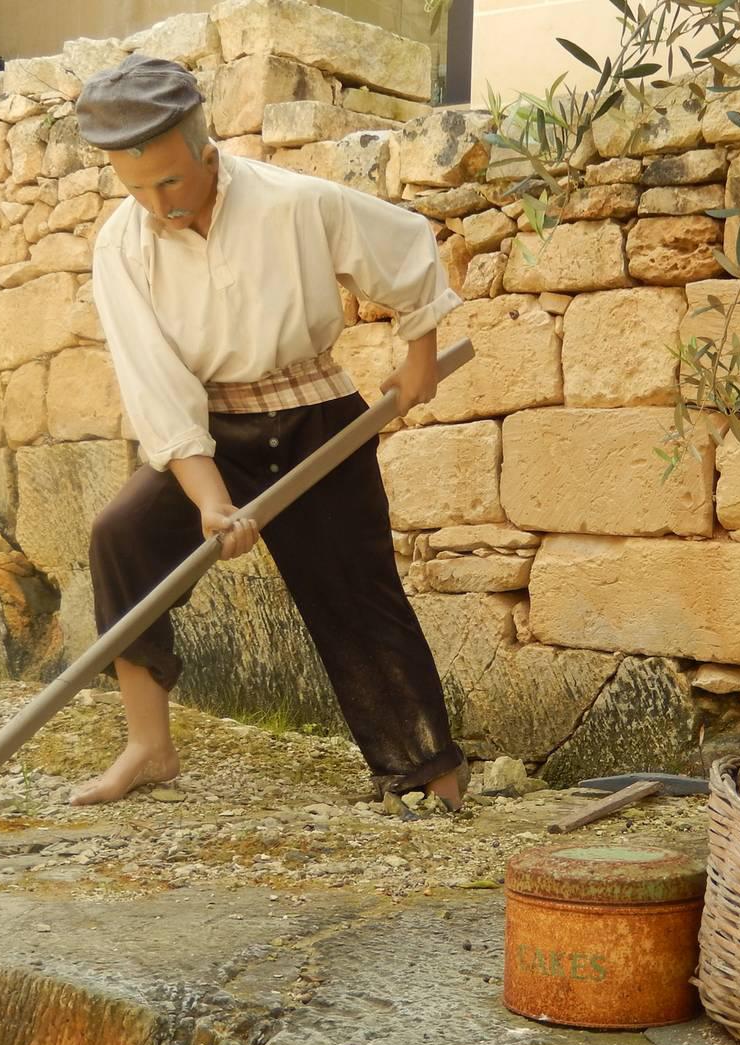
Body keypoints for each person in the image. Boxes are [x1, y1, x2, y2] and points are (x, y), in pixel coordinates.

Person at [68, 54, 466, 813]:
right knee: (123, 539)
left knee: (354, 588)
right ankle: (150, 748)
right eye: (136, 188)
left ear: (206, 152)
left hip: (318, 419)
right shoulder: (123, 246)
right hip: (213, 433)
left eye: (170, 182)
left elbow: (405, 248)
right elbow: (156, 380)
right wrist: (211, 500)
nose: (157, 204)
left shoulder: (293, 204)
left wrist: (419, 356)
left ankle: (426, 770)